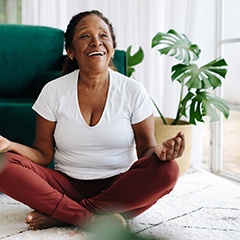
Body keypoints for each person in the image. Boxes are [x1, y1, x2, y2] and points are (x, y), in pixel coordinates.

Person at [0, 10, 185, 231]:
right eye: (85, 36)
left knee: (168, 170)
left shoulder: (133, 90)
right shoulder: (53, 91)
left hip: (119, 187)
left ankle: (65, 214)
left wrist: (160, 152)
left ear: (112, 48)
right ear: (70, 51)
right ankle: (89, 216)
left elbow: (145, 151)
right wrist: (10, 146)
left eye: (103, 35)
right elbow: (42, 154)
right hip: (64, 185)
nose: (96, 41)